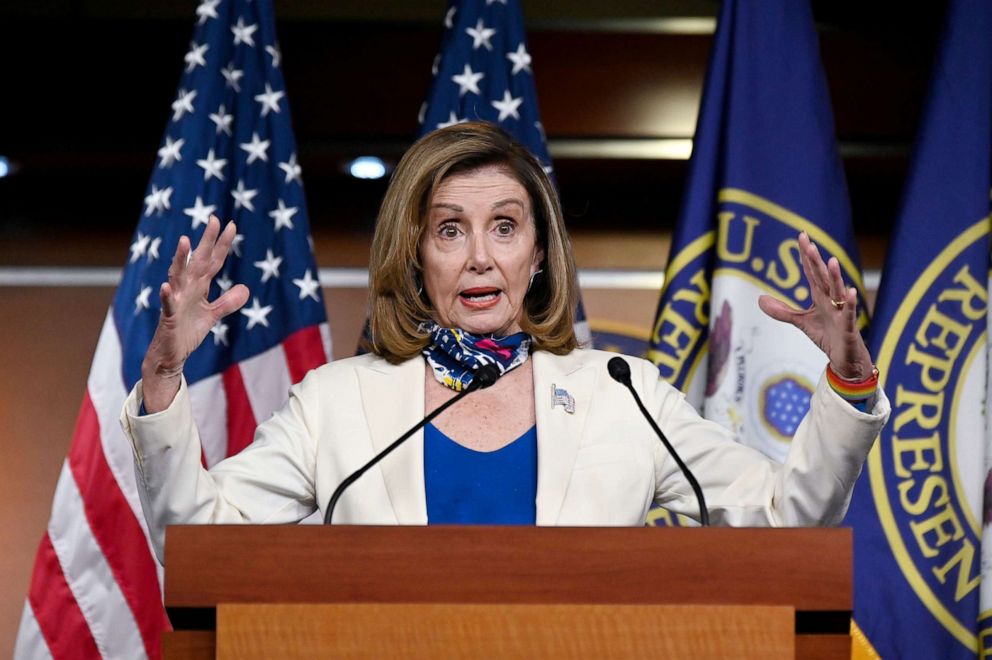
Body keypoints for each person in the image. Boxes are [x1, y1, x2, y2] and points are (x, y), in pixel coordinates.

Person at [121, 122, 890, 562]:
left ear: (540, 252)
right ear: (417, 258)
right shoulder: (338, 403)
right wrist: (162, 376)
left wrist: (848, 383)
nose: (481, 257)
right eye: (450, 231)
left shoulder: (623, 395)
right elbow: (197, 546)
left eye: (505, 227)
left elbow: (789, 518)